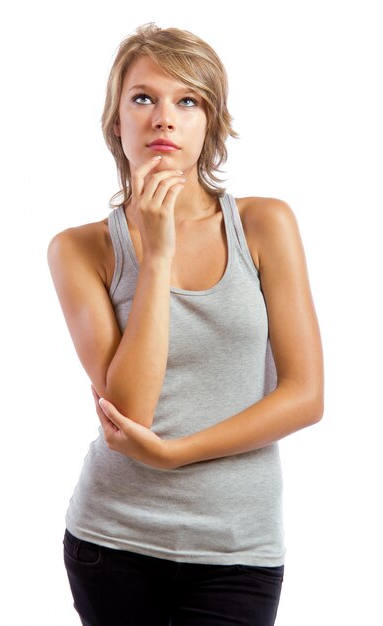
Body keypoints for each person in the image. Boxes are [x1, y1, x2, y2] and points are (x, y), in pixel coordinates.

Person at [47, 22, 324, 626]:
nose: (164, 118)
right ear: (116, 123)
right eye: (143, 98)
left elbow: (305, 396)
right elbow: (130, 412)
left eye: (187, 101)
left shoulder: (264, 224)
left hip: (237, 549)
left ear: (210, 124)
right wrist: (157, 257)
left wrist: (178, 454)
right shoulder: (79, 249)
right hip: (111, 541)